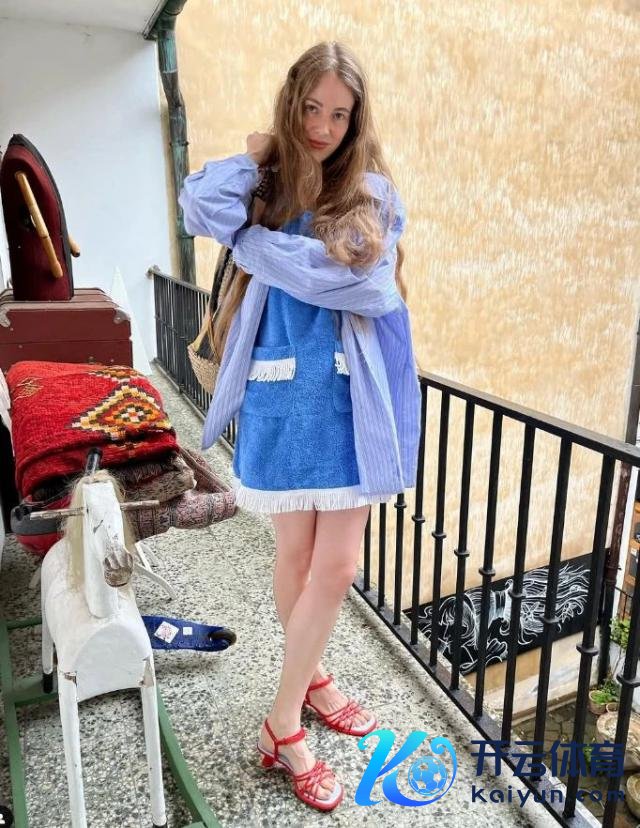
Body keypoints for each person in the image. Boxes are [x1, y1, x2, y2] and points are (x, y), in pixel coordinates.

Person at [179, 41, 421, 813]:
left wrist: (256, 243)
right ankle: (309, 680)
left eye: (339, 114)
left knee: (338, 565)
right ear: (292, 104)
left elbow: (362, 286)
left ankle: (282, 721)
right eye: (311, 108)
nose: (322, 126)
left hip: (350, 403)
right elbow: (198, 205)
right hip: (282, 395)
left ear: (356, 121)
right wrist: (259, 155)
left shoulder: (370, 191)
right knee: (294, 554)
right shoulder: (270, 182)